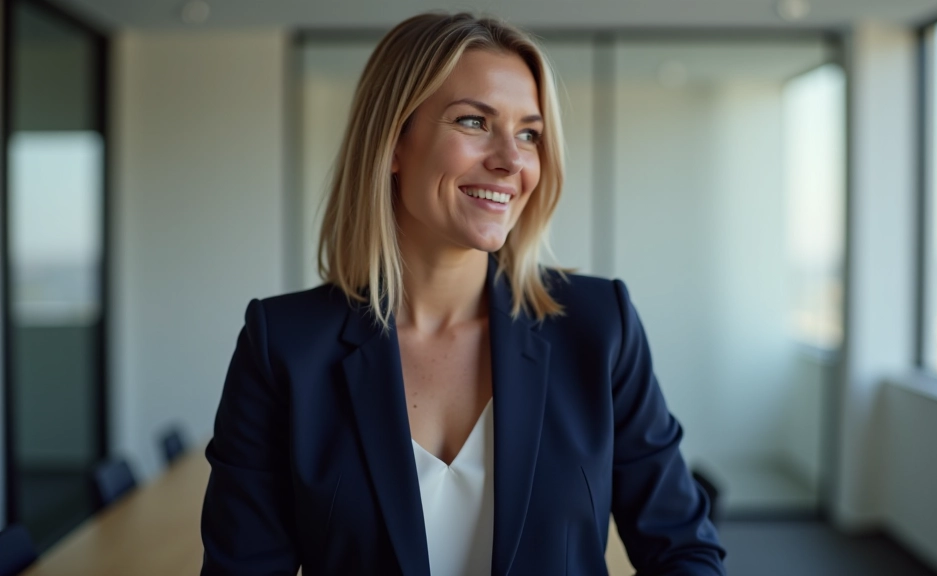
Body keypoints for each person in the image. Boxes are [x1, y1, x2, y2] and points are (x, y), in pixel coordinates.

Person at [200, 12, 726, 576]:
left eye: (529, 133)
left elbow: (683, 550)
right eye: (474, 121)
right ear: (393, 144)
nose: (511, 160)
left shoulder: (600, 328)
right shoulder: (283, 345)